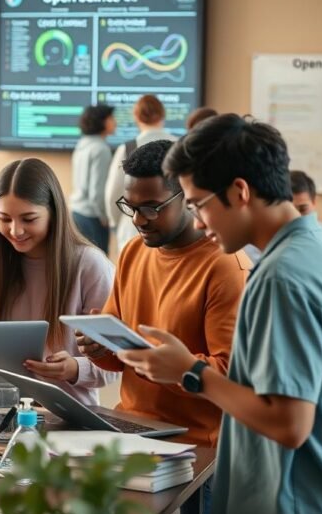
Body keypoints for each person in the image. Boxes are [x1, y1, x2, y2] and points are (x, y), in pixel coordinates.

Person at [125, 114, 322, 514]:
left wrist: (190, 371)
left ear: (240, 191)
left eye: (200, 204)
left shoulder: (283, 276)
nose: (200, 222)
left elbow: (289, 423)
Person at [81, 140, 249, 446]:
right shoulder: (133, 251)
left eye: (151, 208)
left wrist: (164, 365)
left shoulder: (225, 267)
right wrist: (99, 347)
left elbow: (230, 376)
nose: (137, 220)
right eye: (130, 207)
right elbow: (119, 358)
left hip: (195, 443)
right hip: (129, 426)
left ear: (187, 197)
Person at [0, 158, 117, 405]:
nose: (15, 230)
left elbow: (115, 366)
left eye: (29, 219)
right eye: (4, 219)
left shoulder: (90, 265)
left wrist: (74, 368)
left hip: (70, 417)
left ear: (54, 213)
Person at [104, 95, 178, 253]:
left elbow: (113, 194)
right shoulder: (181, 145)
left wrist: (117, 224)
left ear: (136, 117)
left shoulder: (127, 148)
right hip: (172, 231)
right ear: (163, 115)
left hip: (132, 231)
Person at [243, 170, 322, 264]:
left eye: (303, 209)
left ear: (314, 202)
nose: (297, 217)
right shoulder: (261, 241)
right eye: (291, 209)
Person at [69, 104, 116, 253]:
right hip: (92, 217)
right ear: (102, 122)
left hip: (77, 212)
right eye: (111, 118)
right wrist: (104, 216)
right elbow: (97, 191)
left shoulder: (83, 144)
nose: (115, 122)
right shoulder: (101, 149)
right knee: (99, 265)